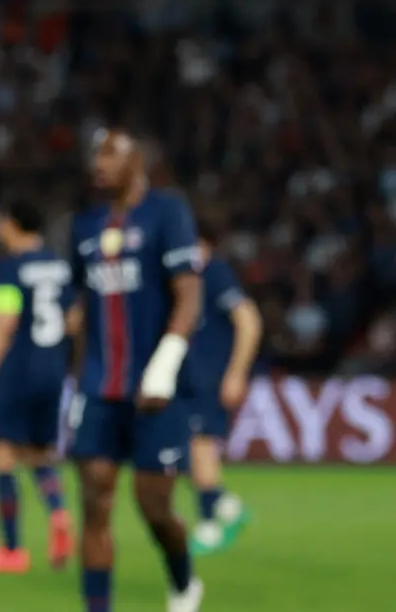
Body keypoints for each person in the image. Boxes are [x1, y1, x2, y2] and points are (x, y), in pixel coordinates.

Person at [68, 128, 205, 612]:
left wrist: (163, 367)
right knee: (95, 504)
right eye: (95, 154)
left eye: (111, 153)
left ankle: (184, 583)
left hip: (156, 392)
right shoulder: (84, 225)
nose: (98, 163)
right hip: (99, 390)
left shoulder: (168, 212)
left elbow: (189, 297)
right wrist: (76, 383)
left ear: (138, 161)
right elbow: (82, 310)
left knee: (154, 508)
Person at [0, 199, 74, 574]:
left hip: (18, 368)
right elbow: (74, 319)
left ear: (11, 224)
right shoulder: (60, 267)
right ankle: (59, 513)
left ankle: (11, 549)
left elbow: (4, 321)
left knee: (3, 452)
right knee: (39, 453)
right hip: (53, 370)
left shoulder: (10, 269)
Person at [183, 222, 260, 556]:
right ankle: (227, 507)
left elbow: (248, 320)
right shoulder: (185, 277)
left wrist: (236, 372)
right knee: (186, 450)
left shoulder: (215, 273)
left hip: (208, 377)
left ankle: (209, 524)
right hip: (185, 378)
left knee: (200, 447)